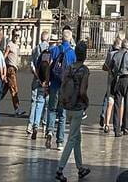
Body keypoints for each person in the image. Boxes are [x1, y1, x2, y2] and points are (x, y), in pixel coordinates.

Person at [55, 40, 91, 181]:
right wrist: (86, 101)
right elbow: (82, 91)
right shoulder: (84, 70)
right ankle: (60, 168)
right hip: (77, 107)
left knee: (77, 138)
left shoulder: (69, 68)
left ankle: (80, 167)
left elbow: (63, 84)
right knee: (72, 139)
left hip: (67, 105)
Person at [46, 26, 77, 149]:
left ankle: (49, 130)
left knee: (52, 109)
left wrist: (47, 82)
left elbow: (48, 67)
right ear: (70, 39)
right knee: (62, 113)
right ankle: (60, 141)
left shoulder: (54, 50)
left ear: (61, 38)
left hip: (54, 84)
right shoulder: (72, 53)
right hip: (66, 86)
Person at [28, 30, 53, 139]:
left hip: (36, 79)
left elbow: (32, 65)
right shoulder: (50, 50)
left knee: (35, 102)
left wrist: (37, 76)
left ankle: (32, 125)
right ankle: (44, 124)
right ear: (48, 39)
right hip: (47, 80)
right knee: (47, 104)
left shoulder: (35, 49)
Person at [109, 37, 128, 136]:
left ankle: (116, 128)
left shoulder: (115, 55)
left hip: (117, 79)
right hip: (126, 79)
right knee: (127, 103)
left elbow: (110, 68)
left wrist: (114, 75)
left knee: (117, 105)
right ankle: (125, 127)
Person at [99, 37, 122, 132]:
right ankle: (119, 123)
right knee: (120, 101)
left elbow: (105, 66)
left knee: (108, 98)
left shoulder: (110, 54)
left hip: (111, 79)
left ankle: (106, 120)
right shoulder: (123, 54)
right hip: (120, 80)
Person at [1, 31, 24, 117]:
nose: (17, 37)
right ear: (12, 35)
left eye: (18, 35)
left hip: (13, 68)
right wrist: (1, 65)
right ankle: (17, 109)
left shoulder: (16, 46)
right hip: (10, 69)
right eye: (15, 35)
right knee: (14, 89)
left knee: (4, 90)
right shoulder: (10, 45)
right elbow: (5, 55)